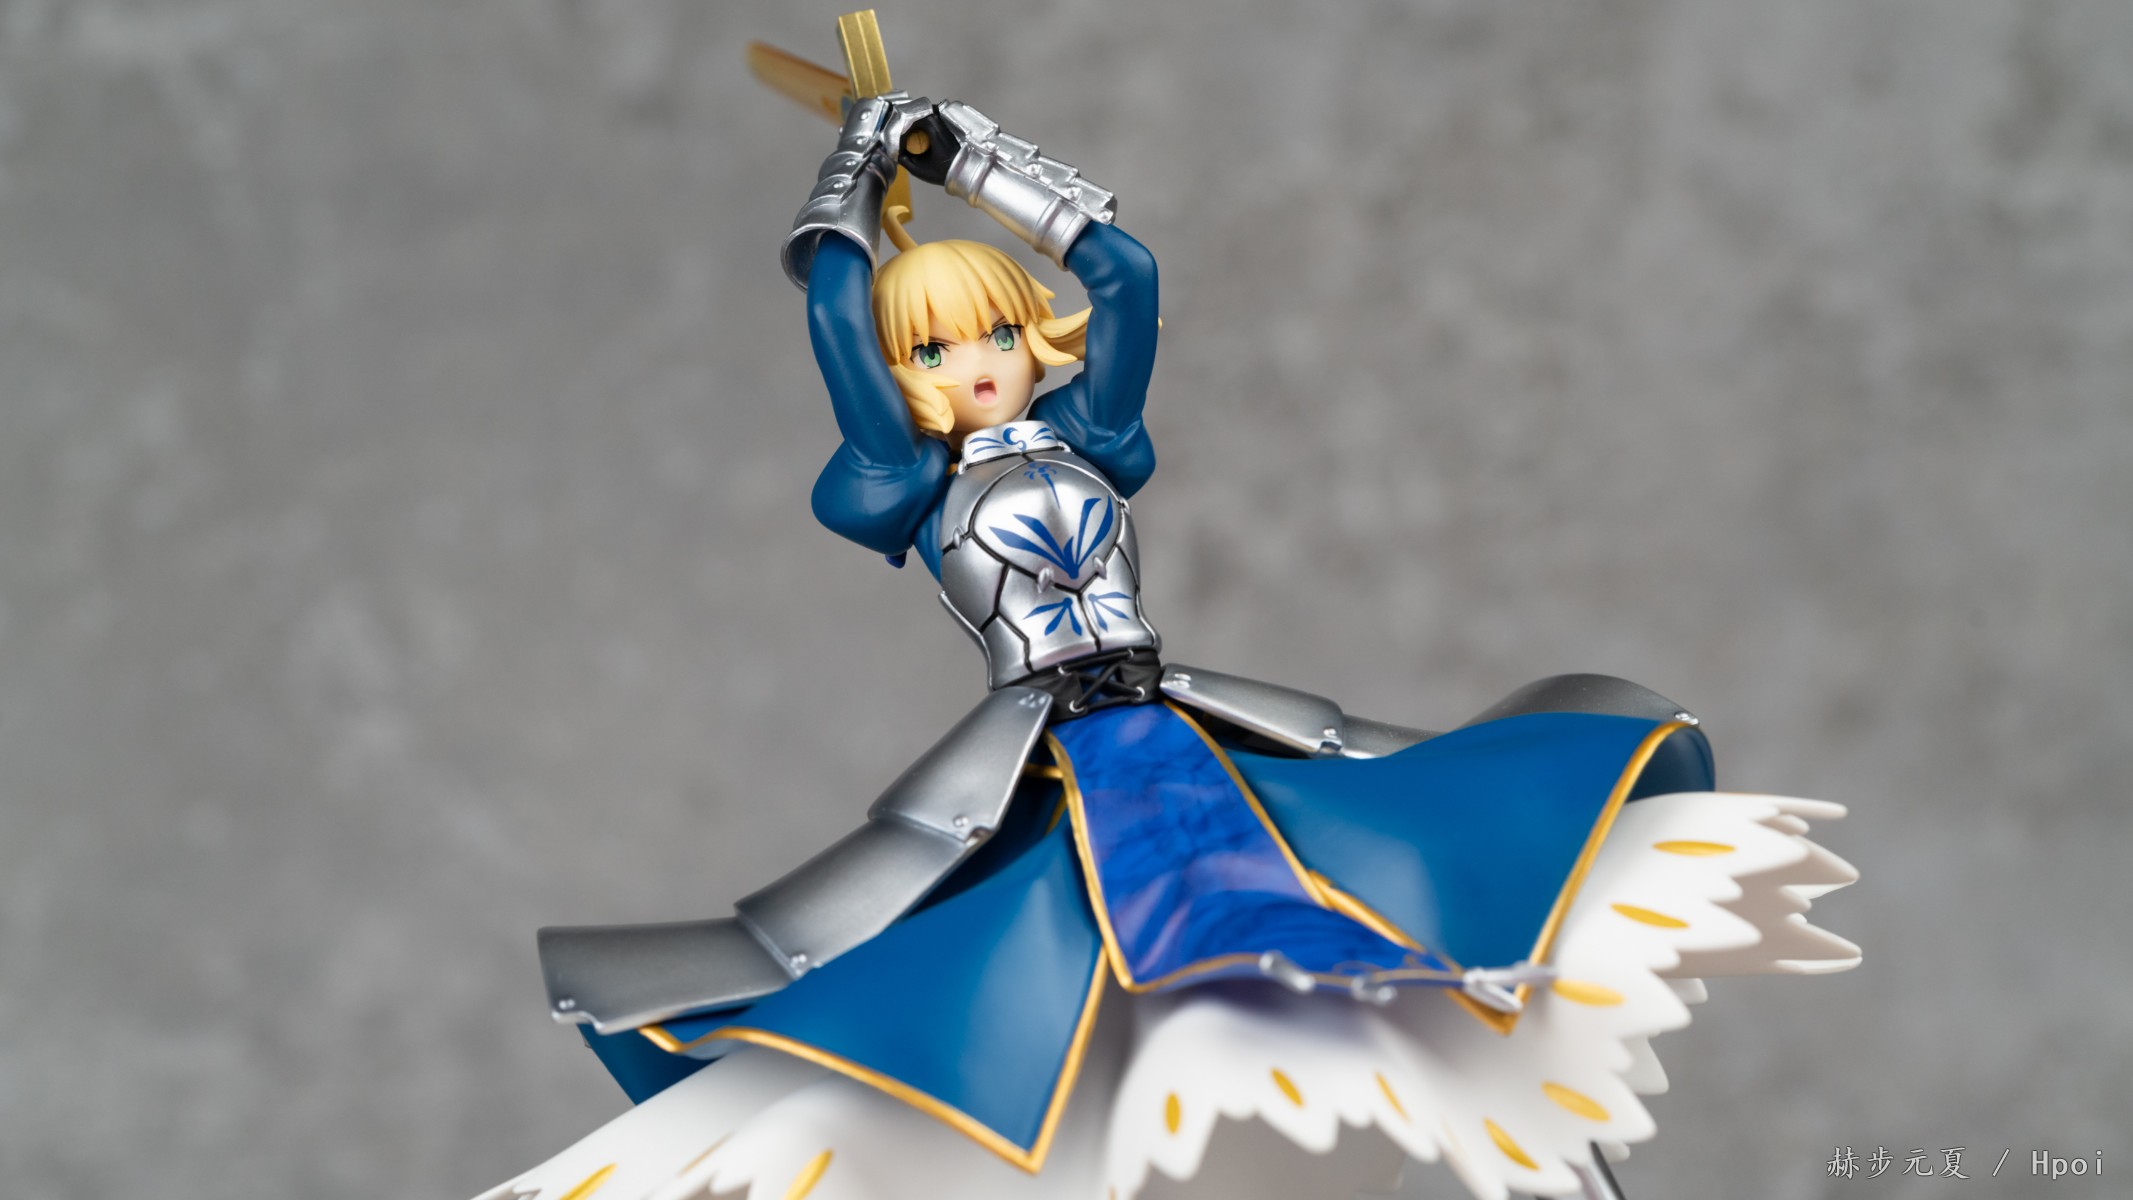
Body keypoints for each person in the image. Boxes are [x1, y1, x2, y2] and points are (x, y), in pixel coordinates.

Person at [478, 95, 1860, 1200]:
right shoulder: (898, 483)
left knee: (1419, 920)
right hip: (1044, 759)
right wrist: (850, 174)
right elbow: (837, 316)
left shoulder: (1091, 435)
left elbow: (1124, 271)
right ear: (900, 382)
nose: (974, 361)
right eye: (933, 351)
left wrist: (966, 158)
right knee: (1046, 1019)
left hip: (1188, 723)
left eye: (996, 329)